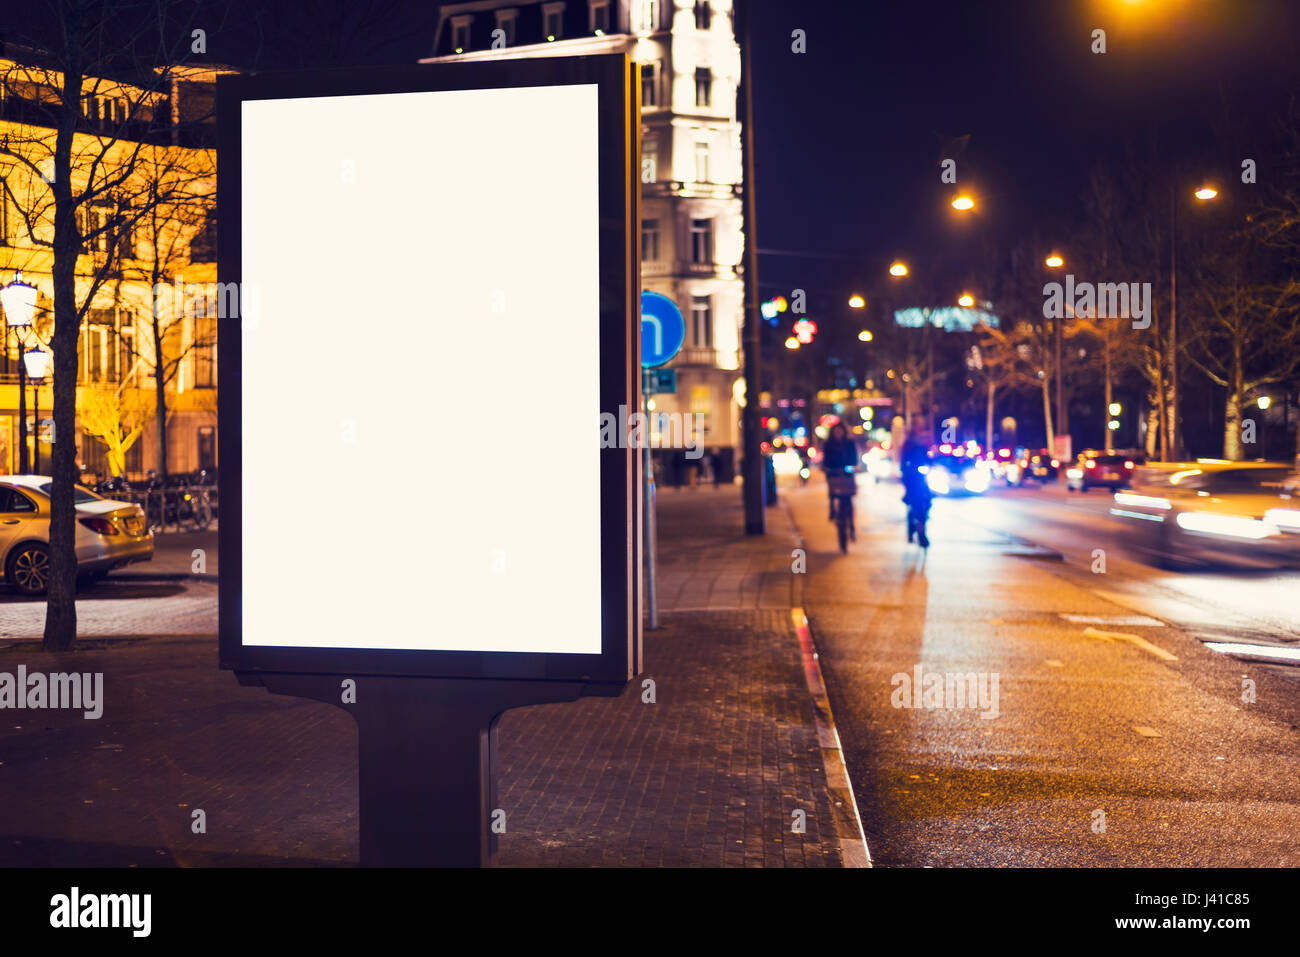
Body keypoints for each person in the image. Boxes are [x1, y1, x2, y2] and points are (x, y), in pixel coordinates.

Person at [899, 415, 932, 548]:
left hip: (922, 476)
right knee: (913, 499)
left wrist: (931, 464)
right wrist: (907, 470)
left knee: (927, 500)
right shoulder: (909, 442)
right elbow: (904, 459)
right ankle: (913, 525)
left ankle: (921, 525)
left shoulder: (925, 441)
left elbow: (929, 458)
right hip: (911, 476)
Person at [821, 421, 858, 525]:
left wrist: (852, 467)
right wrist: (827, 468)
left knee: (848, 496)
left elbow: (854, 459)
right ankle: (832, 508)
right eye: (836, 431)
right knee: (833, 492)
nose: (838, 433)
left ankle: (851, 523)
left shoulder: (850, 443)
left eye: (840, 431)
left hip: (846, 474)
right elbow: (825, 460)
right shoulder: (828, 444)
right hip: (834, 473)